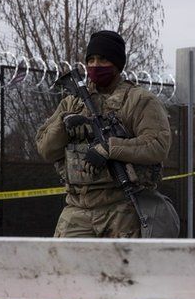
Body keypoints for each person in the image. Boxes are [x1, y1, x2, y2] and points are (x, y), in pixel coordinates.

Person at [36, 30, 176, 238]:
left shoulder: (139, 101)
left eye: (102, 59)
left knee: (121, 270)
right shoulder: (72, 102)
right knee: (63, 269)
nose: (95, 65)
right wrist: (64, 124)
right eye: (90, 60)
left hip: (122, 209)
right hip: (77, 209)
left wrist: (109, 148)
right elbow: (46, 150)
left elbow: (157, 145)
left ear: (117, 63)